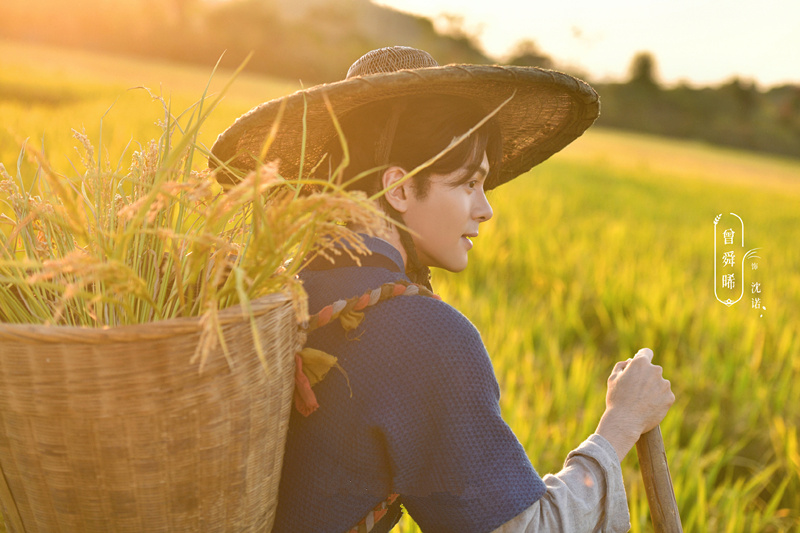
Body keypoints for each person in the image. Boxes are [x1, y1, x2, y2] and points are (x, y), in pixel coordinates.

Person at [210, 46, 675, 533]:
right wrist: (621, 423)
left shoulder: (281, 289)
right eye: (469, 183)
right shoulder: (423, 337)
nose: (485, 208)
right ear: (401, 189)